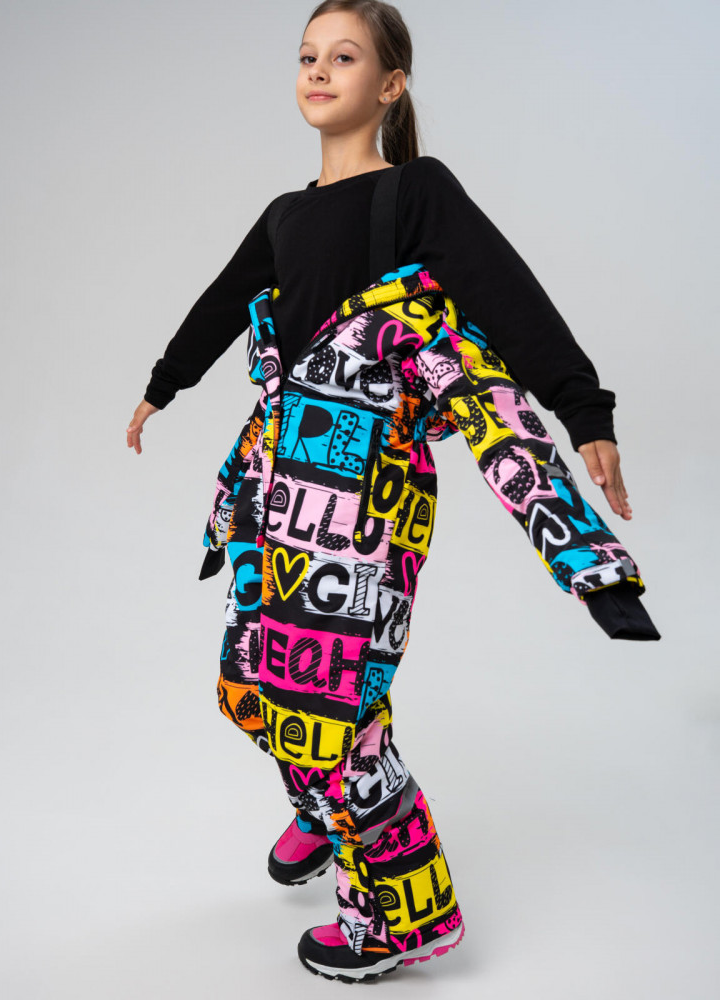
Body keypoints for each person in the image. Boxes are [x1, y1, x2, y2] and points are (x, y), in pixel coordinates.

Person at [126, 0, 659, 983]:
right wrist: (165, 383)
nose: (317, 70)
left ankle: (404, 916)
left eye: (344, 56)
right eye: (307, 55)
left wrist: (584, 409)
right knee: (250, 678)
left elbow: (506, 292)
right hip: (275, 483)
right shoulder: (286, 214)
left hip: (366, 490)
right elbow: (223, 299)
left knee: (332, 702)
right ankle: (326, 803)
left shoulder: (414, 192)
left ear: (391, 85)